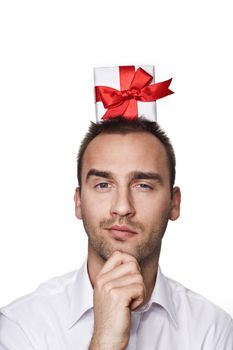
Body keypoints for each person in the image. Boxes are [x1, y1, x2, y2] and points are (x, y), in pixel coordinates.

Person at [1, 65, 233, 349]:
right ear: (79, 202)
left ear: (174, 203)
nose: (122, 207)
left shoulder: (214, 332)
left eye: (143, 185)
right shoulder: (21, 328)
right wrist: (105, 340)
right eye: (103, 185)